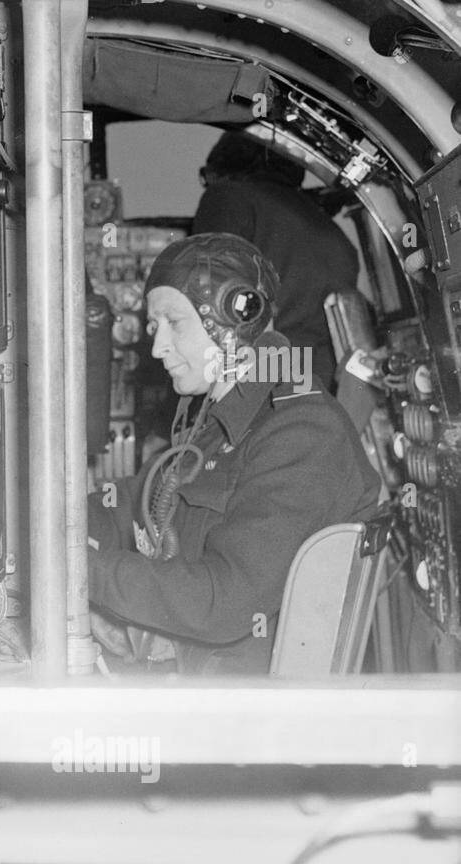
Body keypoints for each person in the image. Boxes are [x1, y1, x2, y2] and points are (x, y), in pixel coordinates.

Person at [87, 233, 382, 675]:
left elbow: (220, 602)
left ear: (236, 315)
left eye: (174, 323)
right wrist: (61, 529)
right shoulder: (224, 417)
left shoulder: (303, 432)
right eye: (153, 326)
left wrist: (78, 576)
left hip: (247, 717)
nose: (157, 347)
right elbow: (136, 501)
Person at [193, 130, 360, 393]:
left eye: (207, 176)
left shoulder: (227, 197)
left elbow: (209, 303)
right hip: (321, 387)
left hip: (261, 383)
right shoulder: (322, 223)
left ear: (223, 167)